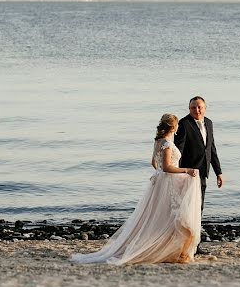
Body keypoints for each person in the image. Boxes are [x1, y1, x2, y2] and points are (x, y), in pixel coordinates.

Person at [70, 113, 202, 265]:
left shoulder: (158, 141)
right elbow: (166, 167)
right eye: (177, 125)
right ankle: (168, 250)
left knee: (158, 216)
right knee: (168, 217)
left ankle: (171, 250)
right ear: (173, 127)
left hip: (160, 183)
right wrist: (186, 171)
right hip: (167, 184)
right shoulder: (166, 143)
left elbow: (154, 163)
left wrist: (161, 175)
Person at [174, 96, 223, 255]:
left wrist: (218, 172)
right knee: (187, 210)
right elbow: (178, 150)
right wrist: (176, 171)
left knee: (199, 209)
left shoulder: (209, 122)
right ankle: (184, 244)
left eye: (200, 107)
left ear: (205, 108)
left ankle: (195, 245)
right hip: (188, 173)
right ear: (189, 109)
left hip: (203, 173)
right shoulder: (184, 124)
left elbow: (211, 148)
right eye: (193, 108)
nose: (197, 110)